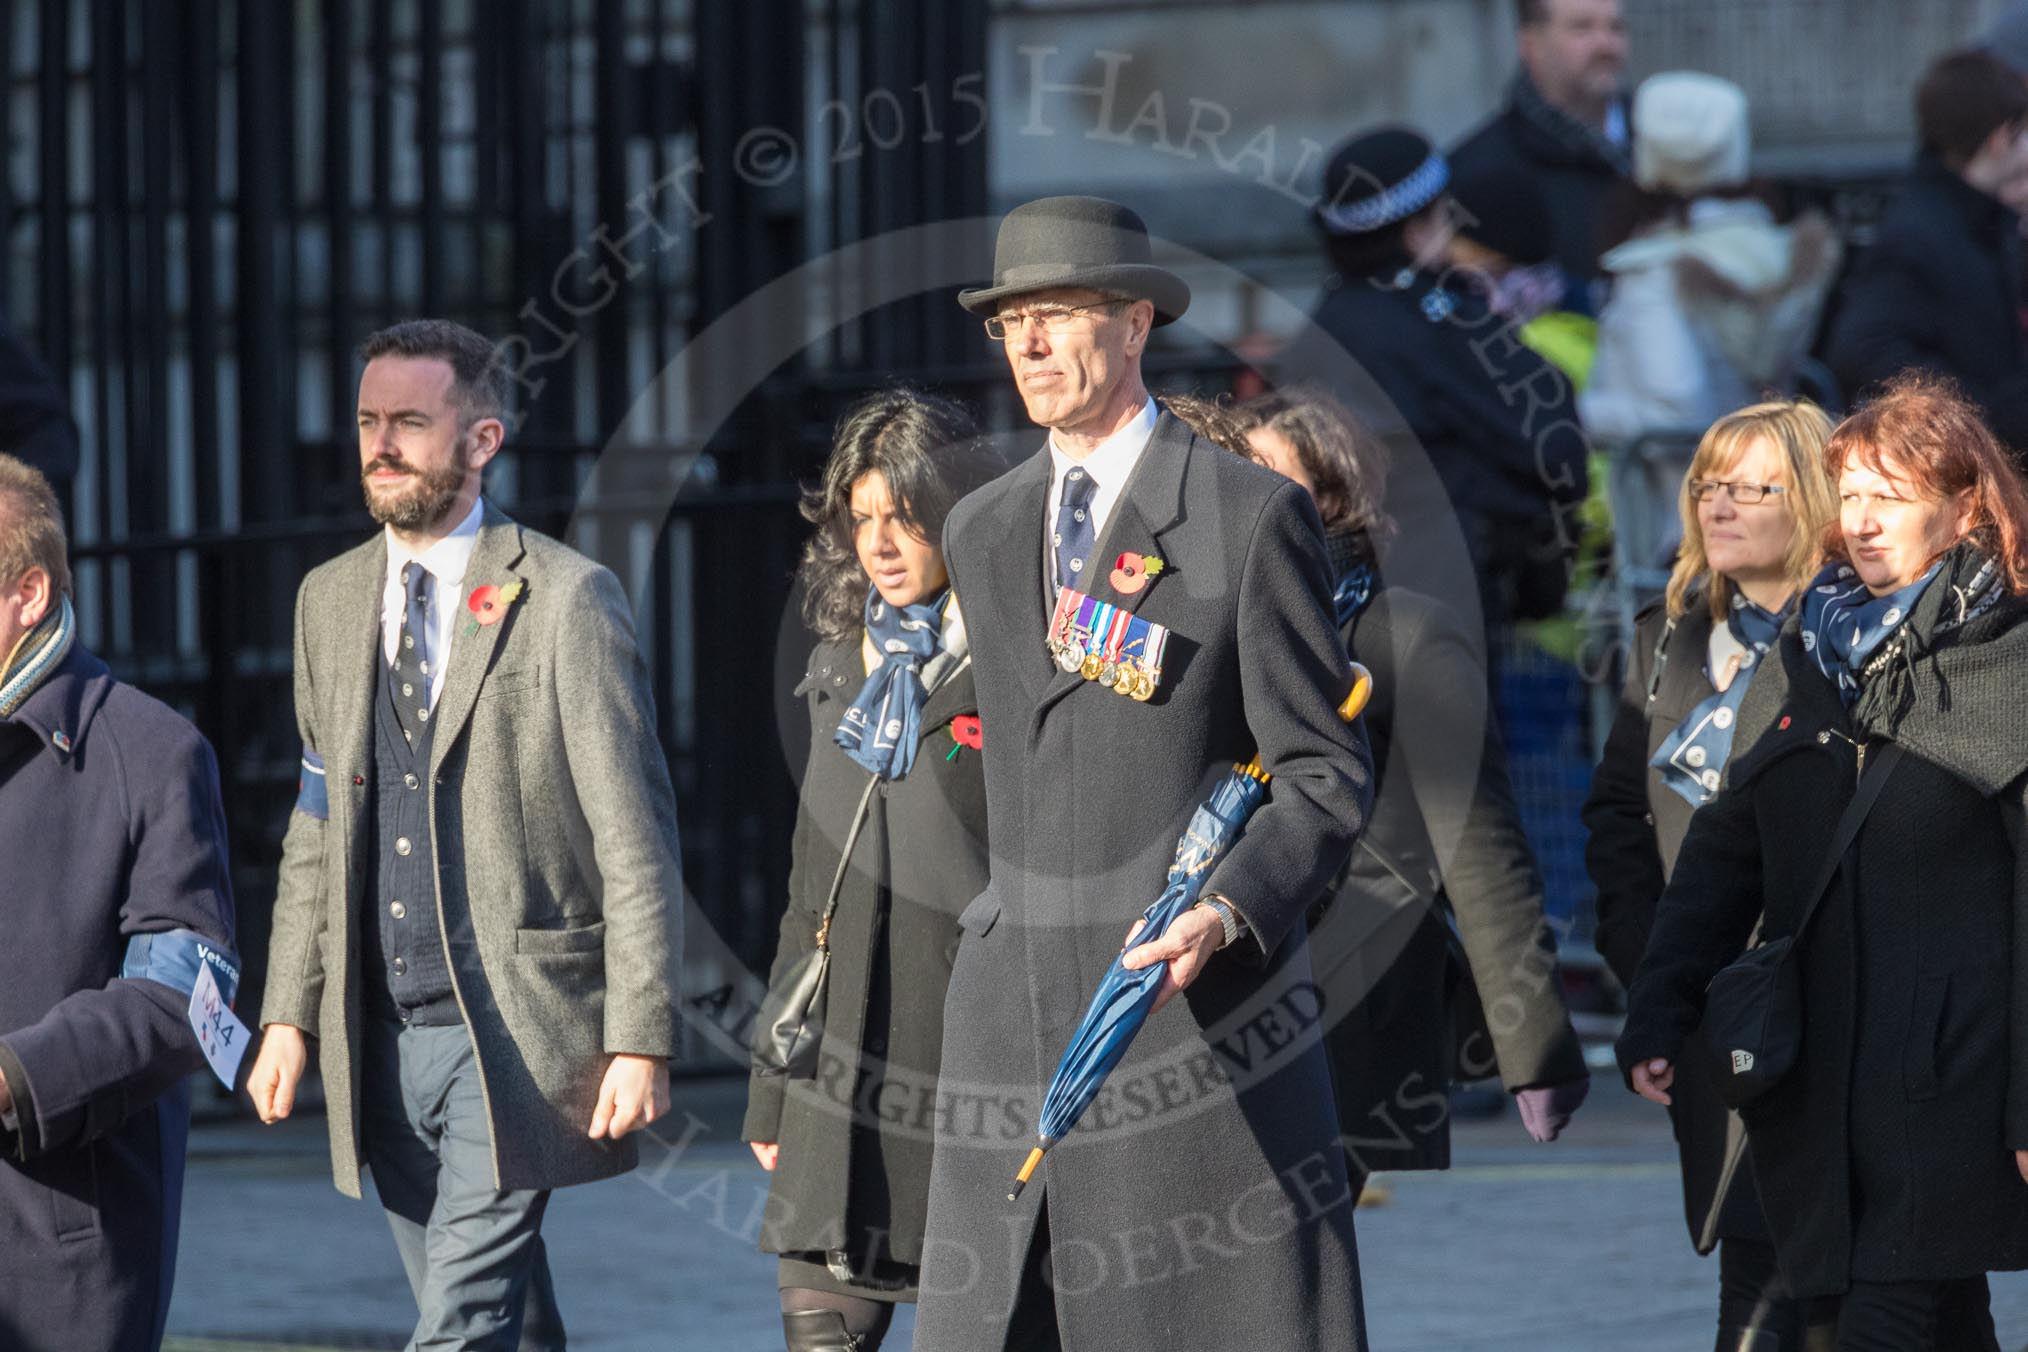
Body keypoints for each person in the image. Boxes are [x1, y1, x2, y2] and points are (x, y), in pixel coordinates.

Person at [915, 195, 1375, 1351]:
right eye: (1009, 320)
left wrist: (1225, 909)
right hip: (1010, 1030)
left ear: (1133, 323)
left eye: (1057, 312)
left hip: (1184, 1027)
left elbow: (1323, 770)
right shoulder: (980, 523)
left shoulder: (1245, 511)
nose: (1027, 342)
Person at [244, 319, 686, 1350]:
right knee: (510, 1322)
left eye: (409, 421)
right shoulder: (328, 599)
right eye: (366, 421)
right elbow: (315, 826)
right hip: (381, 1038)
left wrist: (641, 1030)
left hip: (518, 1032)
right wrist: (286, 1014)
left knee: (457, 1325)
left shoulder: (569, 598)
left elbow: (635, 832)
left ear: (482, 438)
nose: (379, 444)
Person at [1617, 371, 2028, 1349]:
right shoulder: (1816, 645)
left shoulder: (2009, 661)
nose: (1862, 520)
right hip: (1821, 1063)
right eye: (1848, 496)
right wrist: (1661, 1006)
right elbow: (1729, 842)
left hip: (1951, 1068)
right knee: (1926, 1307)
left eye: (1889, 497)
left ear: (1962, 506)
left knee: (1879, 1309)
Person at [1176, 387, 1592, 1180]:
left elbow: (1481, 844)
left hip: (1352, 987)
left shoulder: (1405, 636)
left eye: (1267, 473)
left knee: (1299, 1250)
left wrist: (1534, 1045)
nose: (1245, 496)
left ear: (1331, 497)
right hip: (1224, 972)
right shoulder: (1214, 615)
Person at [743, 389, 998, 1352]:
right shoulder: (839, 667)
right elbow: (813, 888)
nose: (881, 543)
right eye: (863, 520)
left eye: (906, 517)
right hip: (835, 1080)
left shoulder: (1019, 664)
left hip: (965, 1071)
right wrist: (773, 1083)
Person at [1583, 400, 1839, 1349]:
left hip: (1845, 1010)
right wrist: (1657, 977)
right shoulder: (1670, 640)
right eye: (1706, 486)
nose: (1717, 507)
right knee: (1755, 1268)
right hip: (1720, 1012)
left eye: (1749, 488)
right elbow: (1615, 818)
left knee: (1873, 1287)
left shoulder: (1862, 642)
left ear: (1813, 500)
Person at [0, 454, 237, 1351]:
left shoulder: (152, 749)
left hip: (58, 1246)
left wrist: (15, 1078)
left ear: (27, 592)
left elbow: (185, 997)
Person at [1292, 126, 1590, 629]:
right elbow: (1548, 437)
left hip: (1334, 600)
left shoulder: (1319, 332)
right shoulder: (1441, 321)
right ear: (1417, 229)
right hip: (1446, 589)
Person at [1582, 74, 1840, 448]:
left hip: (1678, 494)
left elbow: (1676, 412)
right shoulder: (1780, 253)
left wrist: (1575, 414)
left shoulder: (1655, 271)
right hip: (1765, 483)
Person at [1825, 49, 2028, 456]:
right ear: (2001, 136)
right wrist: (1974, 417)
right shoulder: (1921, 232)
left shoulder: (1981, 219)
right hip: (1974, 466)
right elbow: (1863, 348)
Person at [1449, 0, 1632, 311]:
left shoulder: (1671, 144)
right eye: (1582, 27)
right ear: (1530, 43)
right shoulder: (1477, 173)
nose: (1607, 45)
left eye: (1615, 27)